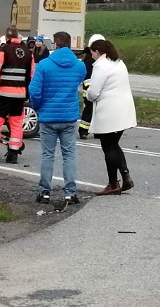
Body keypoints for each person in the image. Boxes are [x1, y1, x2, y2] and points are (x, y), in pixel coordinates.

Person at [29, 31, 86, 204]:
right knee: (69, 155)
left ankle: (44, 192)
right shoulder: (79, 66)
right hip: (69, 116)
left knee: (48, 155)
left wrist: (38, 107)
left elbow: (34, 90)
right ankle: (70, 192)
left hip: (48, 116)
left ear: (55, 44)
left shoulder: (44, 65)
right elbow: (78, 81)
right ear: (70, 45)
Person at [86, 39, 137, 196]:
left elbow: (93, 92)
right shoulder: (119, 63)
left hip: (109, 111)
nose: (92, 56)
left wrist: (87, 94)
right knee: (114, 145)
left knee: (108, 147)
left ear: (98, 52)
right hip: (124, 109)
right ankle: (126, 176)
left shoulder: (101, 66)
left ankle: (113, 183)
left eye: (92, 53)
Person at [0, 26, 34, 165]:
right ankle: (13, 155)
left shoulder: (3, 50)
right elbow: (30, 74)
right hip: (20, 94)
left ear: (7, 38)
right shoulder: (28, 52)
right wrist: (27, 93)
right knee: (16, 123)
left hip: (2, 93)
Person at [78, 34, 105, 139]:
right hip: (90, 89)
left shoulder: (102, 59)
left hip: (97, 89)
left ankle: (97, 131)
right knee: (89, 109)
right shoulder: (89, 60)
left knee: (99, 110)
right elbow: (88, 76)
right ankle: (83, 131)